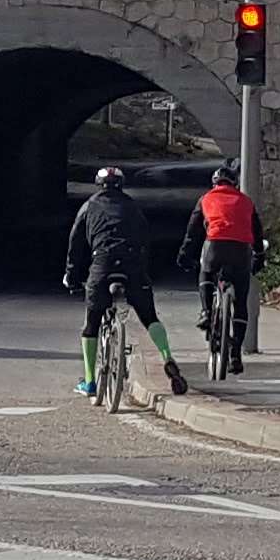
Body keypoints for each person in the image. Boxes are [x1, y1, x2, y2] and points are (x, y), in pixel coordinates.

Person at [60, 165, 181, 396]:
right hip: (132, 263)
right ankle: (168, 356)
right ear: (121, 185)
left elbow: (75, 244)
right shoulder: (133, 207)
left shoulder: (89, 206)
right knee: (149, 317)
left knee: (91, 324)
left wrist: (72, 276)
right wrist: (145, 271)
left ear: (99, 184)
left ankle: (89, 381)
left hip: (102, 263)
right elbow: (146, 239)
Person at [187, 166, 263, 356]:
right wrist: (260, 255)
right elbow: (257, 231)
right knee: (241, 302)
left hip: (215, 246)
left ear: (214, 184)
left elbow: (193, 231)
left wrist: (185, 254)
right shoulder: (246, 201)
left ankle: (206, 311)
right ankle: (236, 352)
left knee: (206, 270)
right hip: (241, 250)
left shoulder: (206, 199)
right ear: (234, 183)